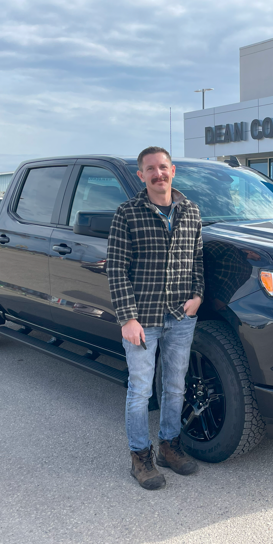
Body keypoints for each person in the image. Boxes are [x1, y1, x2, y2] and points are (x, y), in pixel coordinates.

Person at [107, 146, 204, 490]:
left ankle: (169, 447)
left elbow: (197, 259)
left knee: (175, 385)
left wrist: (198, 296)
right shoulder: (127, 213)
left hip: (181, 314)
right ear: (141, 175)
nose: (158, 174)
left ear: (172, 170)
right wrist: (127, 318)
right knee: (141, 390)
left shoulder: (191, 211)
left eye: (163, 167)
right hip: (142, 318)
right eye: (151, 169)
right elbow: (117, 269)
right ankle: (140, 457)